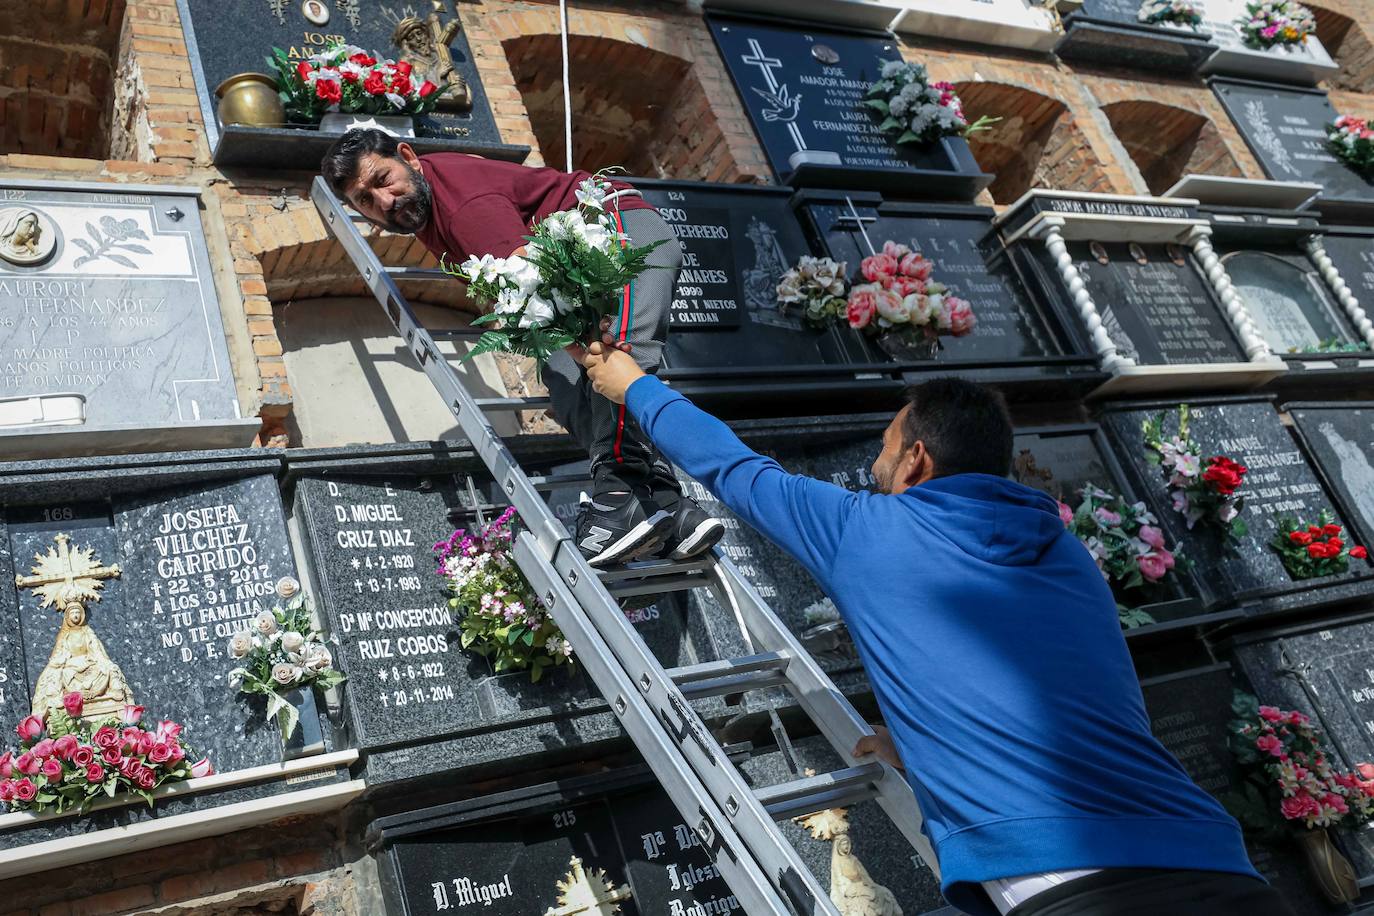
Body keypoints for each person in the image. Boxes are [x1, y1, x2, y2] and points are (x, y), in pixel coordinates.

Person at [575, 337, 1293, 916]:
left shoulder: (869, 529)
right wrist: (926, 744)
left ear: (917, 458)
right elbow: (1059, 689)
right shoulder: (1065, 552)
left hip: (1075, 885)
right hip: (1215, 862)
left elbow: (731, 466)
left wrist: (632, 383)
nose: (877, 469)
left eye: (885, 454)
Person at [320, 130, 724, 566]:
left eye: (383, 180)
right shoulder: (428, 206)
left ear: (407, 156)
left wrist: (577, 347)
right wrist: (569, 354)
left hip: (620, 239)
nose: (384, 202)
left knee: (620, 362)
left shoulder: (463, 208)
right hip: (575, 273)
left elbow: (532, 292)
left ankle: (617, 496)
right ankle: (669, 508)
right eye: (364, 200)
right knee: (568, 385)